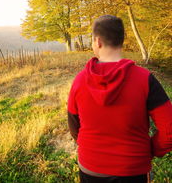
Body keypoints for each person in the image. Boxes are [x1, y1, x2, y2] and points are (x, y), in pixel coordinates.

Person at [67, 15, 172, 183]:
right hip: (132, 169)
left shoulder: (79, 81)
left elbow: (74, 125)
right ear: (121, 40)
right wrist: (150, 150)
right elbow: (169, 129)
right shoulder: (145, 79)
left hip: (90, 169)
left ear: (98, 41)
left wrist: (91, 148)